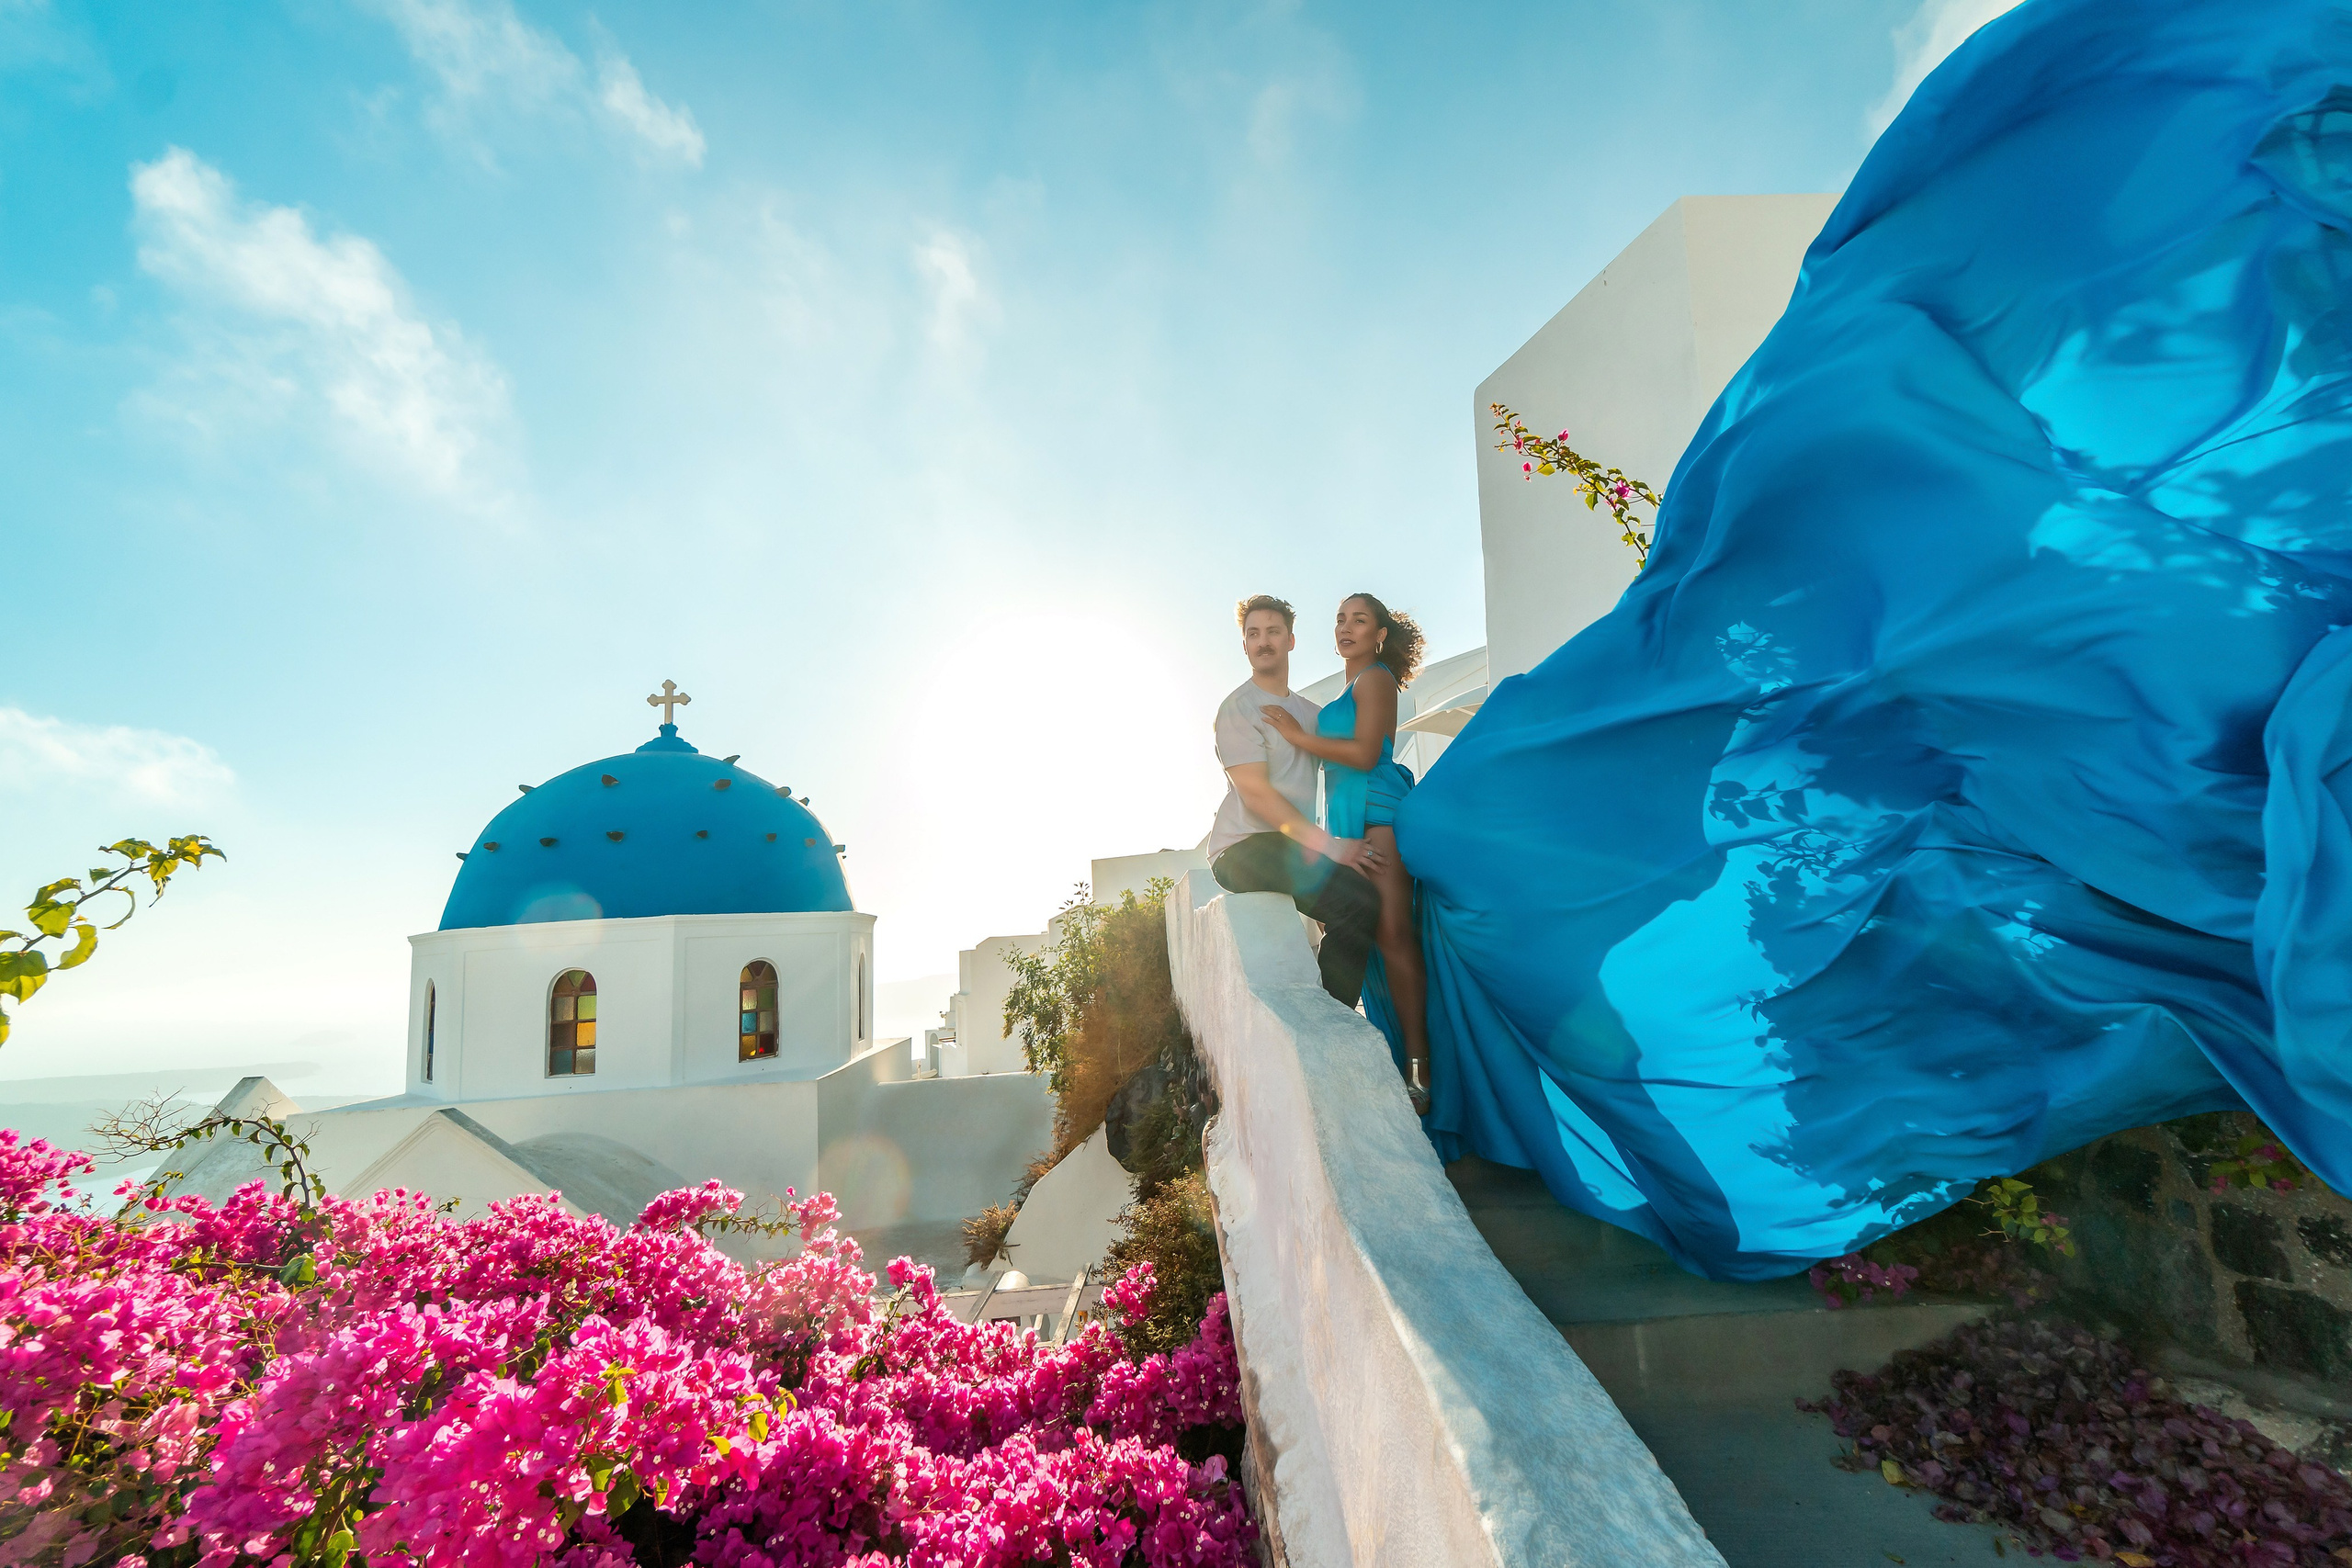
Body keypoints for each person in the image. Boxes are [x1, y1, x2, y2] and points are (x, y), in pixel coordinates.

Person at [1262, 593, 1431, 1112]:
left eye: (1359, 620)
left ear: (1379, 635)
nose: (1346, 627)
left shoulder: (1376, 678)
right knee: (1371, 937)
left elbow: (1363, 753)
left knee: (1393, 937)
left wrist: (1296, 736)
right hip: (1347, 821)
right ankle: (1394, 1062)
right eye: (1340, 619)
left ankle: (1420, 1073)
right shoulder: (1347, 689)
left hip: (1377, 816)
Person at [1206, 594, 1383, 1010]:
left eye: (1273, 631)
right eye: (1253, 634)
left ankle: (1331, 1012)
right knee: (1357, 901)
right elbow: (1259, 797)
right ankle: (1332, 1019)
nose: (1263, 641)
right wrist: (1331, 847)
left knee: (1360, 900)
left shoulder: (1310, 715)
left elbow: (1355, 760)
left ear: (1290, 640)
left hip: (1288, 845)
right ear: (1244, 645)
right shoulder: (1237, 709)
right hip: (1241, 849)